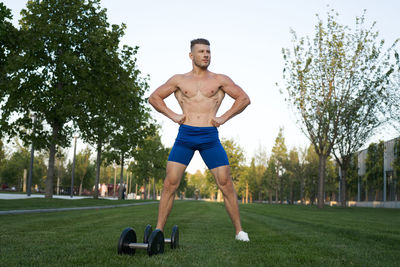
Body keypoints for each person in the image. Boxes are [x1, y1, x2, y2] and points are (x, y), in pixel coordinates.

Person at [149, 38, 251, 241]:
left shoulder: (219, 80)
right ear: (191, 56)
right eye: (202, 51)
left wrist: (224, 117)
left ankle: (240, 231)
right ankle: (158, 231)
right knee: (170, 183)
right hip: (185, 135)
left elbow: (244, 99)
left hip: (209, 136)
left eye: (208, 52)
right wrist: (173, 115)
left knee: (225, 182)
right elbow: (154, 97)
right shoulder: (179, 80)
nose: (206, 55)